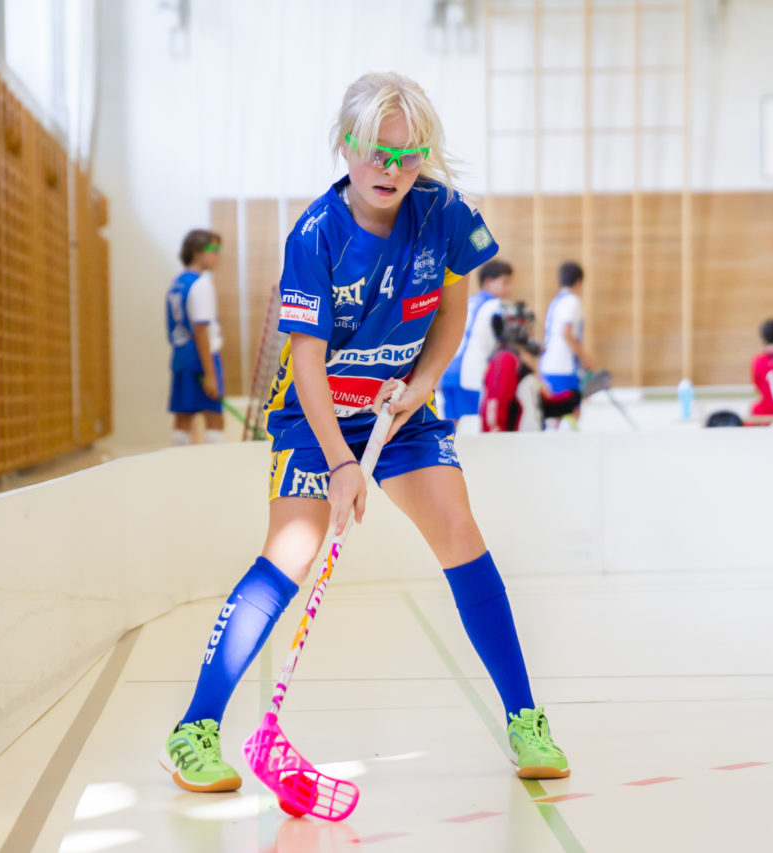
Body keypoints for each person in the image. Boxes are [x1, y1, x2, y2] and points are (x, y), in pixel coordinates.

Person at [163, 72, 570, 794]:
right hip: (317, 414)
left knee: (458, 528)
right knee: (291, 551)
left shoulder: (442, 212)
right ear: (346, 145)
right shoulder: (315, 237)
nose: (393, 170)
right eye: (379, 153)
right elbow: (308, 365)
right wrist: (342, 462)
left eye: (411, 156)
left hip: (399, 409)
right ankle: (194, 727)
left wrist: (423, 384)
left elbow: (455, 303)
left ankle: (525, 717)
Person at [438, 260, 513, 433]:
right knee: (475, 431)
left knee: (452, 431)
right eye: (504, 283)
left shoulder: (469, 301)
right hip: (472, 375)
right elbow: (507, 342)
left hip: (449, 373)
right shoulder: (497, 306)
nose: (508, 289)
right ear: (488, 281)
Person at [166, 230, 225, 445]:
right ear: (196, 251)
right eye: (213, 249)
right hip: (202, 358)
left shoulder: (177, 283)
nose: (218, 255)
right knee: (215, 419)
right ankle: (214, 469)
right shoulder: (200, 284)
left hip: (181, 357)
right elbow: (201, 330)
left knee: (183, 417)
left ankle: (178, 466)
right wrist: (210, 374)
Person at [539, 261, 590, 428]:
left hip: (548, 364)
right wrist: (584, 357)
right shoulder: (572, 301)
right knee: (572, 411)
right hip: (563, 366)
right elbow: (566, 332)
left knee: (555, 413)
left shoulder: (556, 302)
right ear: (579, 283)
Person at [480, 302, 539, 432]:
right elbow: (495, 405)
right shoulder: (505, 360)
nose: (532, 333)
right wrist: (496, 439)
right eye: (529, 327)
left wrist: (571, 398)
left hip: (526, 442)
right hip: (511, 444)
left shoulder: (518, 358)